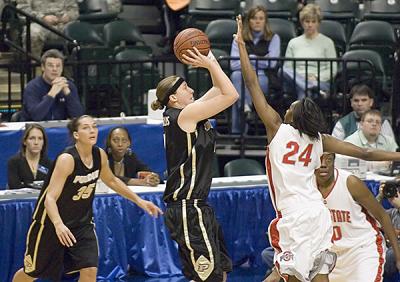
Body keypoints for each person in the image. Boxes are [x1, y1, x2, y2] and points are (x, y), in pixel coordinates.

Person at [235, 14, 400, 282]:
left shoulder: (277, 129)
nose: (287, 107)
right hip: (319, 215)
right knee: (317, 274)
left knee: (285, 276)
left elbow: (252, 83)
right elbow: (366, 153)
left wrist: (241, 46)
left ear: (294, 117)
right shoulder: (320, 139)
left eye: (291, 107)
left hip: (295, 217)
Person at [12, 115, 162, 282]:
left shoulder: (100, 155)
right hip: (51, 224)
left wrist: (139, 201)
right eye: (86, 127)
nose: (92, 130)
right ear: (76, 135)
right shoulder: (67, 159)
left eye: (94, 126)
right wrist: (58, 225)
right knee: (32, 272)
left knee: (90, 269)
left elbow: (112, 180)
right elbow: (50, 198)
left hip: (81, 224)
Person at [151, 48, 239, 281]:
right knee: (209, 277)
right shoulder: (185, 115)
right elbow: (231, 96)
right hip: (187, 208)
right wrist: (210, 67)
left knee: (218, 273)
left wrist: (209, 58)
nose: (191, 90)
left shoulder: (187, 112)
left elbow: (219, 89)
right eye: (185, 88)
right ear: (173, 98)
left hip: (196, 206)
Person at [265, 152, 400, 282]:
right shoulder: (304, 188)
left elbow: (382, 216)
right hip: (328, 256)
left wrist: (398, 256)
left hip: (360, 250)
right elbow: (293, 231)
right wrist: (277, 269)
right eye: (319, 159)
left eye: (328, 159)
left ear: (334, 161)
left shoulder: (350, 183)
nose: (323, 164)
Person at [230, 5, 280, 134]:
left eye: (261, 18)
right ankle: (245, 109)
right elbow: (233, 65)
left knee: (239, 92)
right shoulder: (239, 38)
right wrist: (259, 59)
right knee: (236, 77)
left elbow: (273, 63)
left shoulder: (273, 38)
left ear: (265, 21)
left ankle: (239, 132)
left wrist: (248, 58)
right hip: (240, 76)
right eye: (254, 18)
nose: (257, 21)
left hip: (263, 76)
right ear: (249, 21)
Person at [283, 3, 337, 99]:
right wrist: (301, 78)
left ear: (318, 23)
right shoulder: (293, 42)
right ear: (302, 22)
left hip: (319, 82)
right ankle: (308, 86)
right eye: (307, 21)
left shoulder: (328, 42)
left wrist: (316, 77)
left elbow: (332, 69)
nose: (310, 25)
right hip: (296, 80)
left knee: (303, 90)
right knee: (282, 71)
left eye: (313, 21)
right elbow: (288, 67)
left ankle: (306, 88)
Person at [20, 49, 84, 121]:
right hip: (35, 129)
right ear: (43, 67)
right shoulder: (32, 87)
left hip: (61, 129)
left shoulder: (69, 86)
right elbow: (36, 116)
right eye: (50, 66)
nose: (54, 69)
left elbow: (79, 118)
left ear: (62, 68)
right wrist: (52, 94)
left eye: (58, 66)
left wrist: (68, 94)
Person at [7, 123, 52, 189]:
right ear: (25, 141)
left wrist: (26, 184)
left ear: (43, 142)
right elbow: (14, 187)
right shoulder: (14, 162)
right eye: (32, 138)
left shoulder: (49, 164)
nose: (36, 142)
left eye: (40, 138)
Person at [376, 182, 400, 279]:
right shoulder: (393, 212)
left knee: (391, 254)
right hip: (390, 247)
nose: (395, 194)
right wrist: (380, 196)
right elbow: (373, 213)